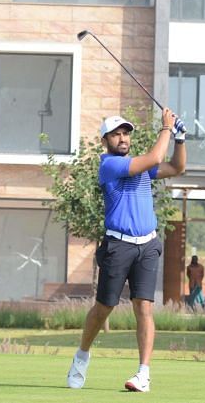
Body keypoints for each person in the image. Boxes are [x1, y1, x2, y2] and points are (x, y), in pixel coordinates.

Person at [67, 108, 186, 393]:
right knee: (104, 307)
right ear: (105, 140)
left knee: (144, 306)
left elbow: (176, 168)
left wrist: (180, 138)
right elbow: (156, 157)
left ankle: (143, 373)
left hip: (147, 244)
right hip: (118, 245)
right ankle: (82, 355)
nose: (122, 138)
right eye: (116, 134)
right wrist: (167, 128)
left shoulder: (142, 166)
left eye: (126, 133)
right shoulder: (108, 165)